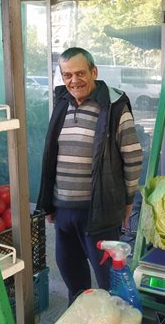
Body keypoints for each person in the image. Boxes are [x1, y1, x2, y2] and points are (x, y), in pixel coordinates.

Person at [36, 47, 143, 304]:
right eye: (67, 75)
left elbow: (133, 156)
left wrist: (128, 202)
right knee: (75, 284)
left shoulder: (114, 106)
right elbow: (52, 154)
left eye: (80, 73)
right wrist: (49, 202)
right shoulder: (62, 103)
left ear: (94, 72)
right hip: (63, 213)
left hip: (100, 213)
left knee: (109, 286)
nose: (74, 81)